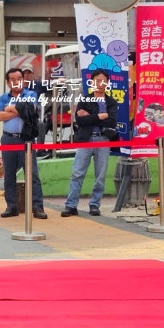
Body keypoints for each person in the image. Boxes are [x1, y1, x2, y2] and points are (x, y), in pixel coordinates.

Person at [62, 68, 120, 217]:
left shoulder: (111, 102)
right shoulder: (85, 99)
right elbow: (80, 120)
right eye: (97, 81)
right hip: (86, 139)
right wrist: (101, 116)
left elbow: (112, 121)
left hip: (103, 139)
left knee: (100, 175)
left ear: (108, 83)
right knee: (77, 173)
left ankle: (95, 205)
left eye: (103, 81)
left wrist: (91, 116)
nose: (100, 84)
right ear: (92, 82)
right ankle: (71, 205)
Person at [0, 67, 47, 220]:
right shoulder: (3, 97)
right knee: (9, 175)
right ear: (8, 82)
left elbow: (31, 110)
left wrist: (11, 108)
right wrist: (20, 109)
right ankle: (11, 206)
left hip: (26, 139)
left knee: (32, 174)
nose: (16, 82)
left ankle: (37, 207)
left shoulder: (30, 94)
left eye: (19, 79)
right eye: (13, 79)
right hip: (8, 138)